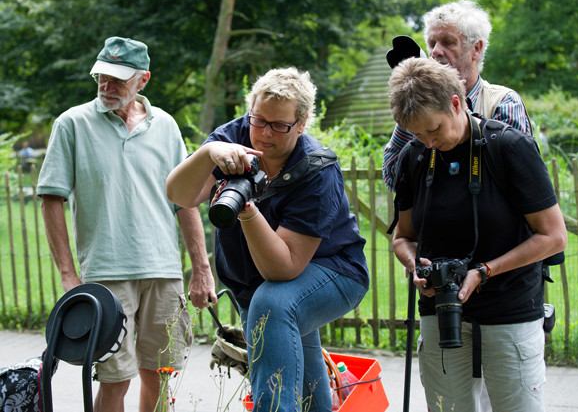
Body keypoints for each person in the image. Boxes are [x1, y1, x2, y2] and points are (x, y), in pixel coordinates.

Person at [166, 67, 369, 412]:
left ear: (302, 123)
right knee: (308, 392)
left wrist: (247, 210)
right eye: (258, 120)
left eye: (279, 125)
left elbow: (283, 268)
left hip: (334, 271)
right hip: (256, 282)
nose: (264, 133)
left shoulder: (316, 169)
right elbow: (182, 195)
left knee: (273, 306)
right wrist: (206, 153)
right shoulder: (232, 137)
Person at [37, 37, 217, 412]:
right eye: (101, 76)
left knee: (160, 375)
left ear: (143, 80)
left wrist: (201, 269)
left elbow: (184, 202)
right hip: (105, 275)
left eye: (117, 79)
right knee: (114, 381)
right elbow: (51, 198)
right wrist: (69, 276)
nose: (106, 85)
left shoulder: (166, 126)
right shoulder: (71, 124)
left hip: (164, 272)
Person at [388, 58, 567, 412]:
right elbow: (402, 237)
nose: (428, 142)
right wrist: (414, 267)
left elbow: (554, 236)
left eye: (433, 129)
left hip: (509, 308)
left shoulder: (509, 147)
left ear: (456, 103)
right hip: (440, 308)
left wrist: (484, 271)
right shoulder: (414, 156)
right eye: (417, 134)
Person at [382, 0, 532, 191]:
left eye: (447, 42)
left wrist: (461, 113)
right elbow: (393, 180)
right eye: (432, 43)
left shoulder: (503, 102)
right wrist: (411, 107)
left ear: (476, 49)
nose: (435, 51)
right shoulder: (419, 104)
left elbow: (520, 178)